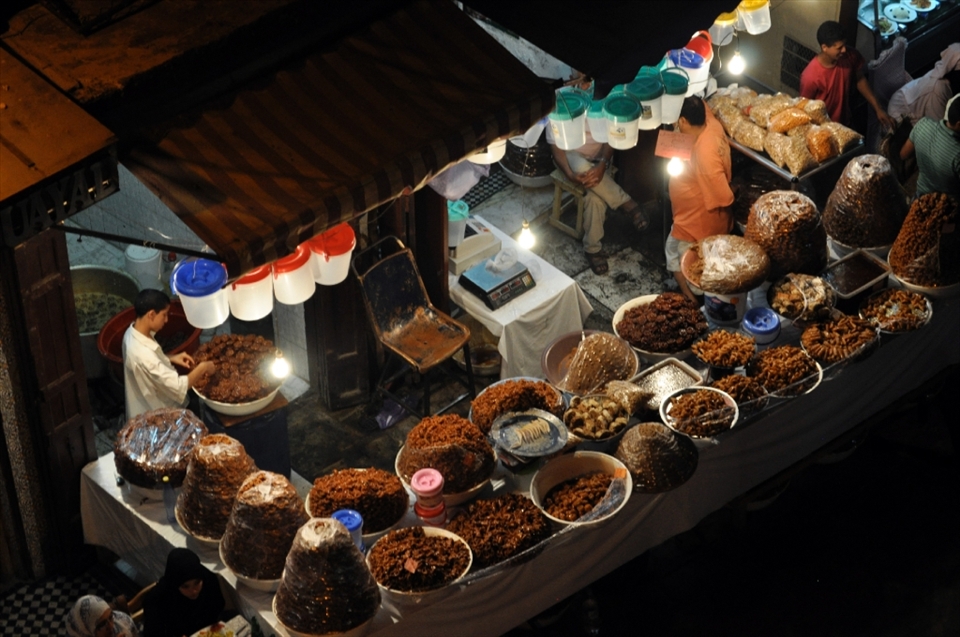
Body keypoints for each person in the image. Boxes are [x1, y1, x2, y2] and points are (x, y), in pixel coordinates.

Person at [547, 76, 645, 275]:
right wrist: (568, 172)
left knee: (594, 198)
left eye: (589, 80)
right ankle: (627, 203)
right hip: (571, 156)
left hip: (598, 160)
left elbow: (611, 137)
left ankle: (592, 249)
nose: (585, 86)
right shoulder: (561, 101)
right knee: (583, 168)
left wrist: (603, 163)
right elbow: (555, 146)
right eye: (581, 80)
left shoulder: (607, 96)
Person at [666, 96, 735, 304]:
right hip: (689, 213)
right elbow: (700, 103)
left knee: (686, 260)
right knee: (672, 250)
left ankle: (693, 298)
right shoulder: (710, 122)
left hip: (697, 221)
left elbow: (724, 197)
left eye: (678, 120)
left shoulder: (705, 155)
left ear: (684, 121)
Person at [122, 289, 214, 420]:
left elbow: (151, 362)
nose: (166, 320)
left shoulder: (131, 332)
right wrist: (203, 367)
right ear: (151, 314)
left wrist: (171, 358)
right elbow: (180, 386)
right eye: (164, 315)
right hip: (159, 416)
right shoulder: (144, 355)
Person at [800, 20, 894, 130]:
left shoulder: (850, 56)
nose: (844, 50)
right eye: (839, 48)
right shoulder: (810, 76)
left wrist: (878, 108)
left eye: (844, 45)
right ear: (824, 47)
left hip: (846, 123)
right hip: (823, 130)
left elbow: (859, 79)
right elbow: (804, 109)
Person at [142, 548, 226, 637]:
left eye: (197, 583)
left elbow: (218, 607)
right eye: (185, 586)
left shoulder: (208, 579)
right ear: (175, 584)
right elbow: (152, 633)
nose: (194, 591)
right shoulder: (156, 600)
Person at [900, 93, 960, 202]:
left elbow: (903, 154)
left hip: (920, 198)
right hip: (946, 206)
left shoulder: (923, 124)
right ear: (959, 124)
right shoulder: (957, 155)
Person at [888, 43, 960, 126]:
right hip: (900, 112)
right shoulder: (938, 90)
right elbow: (936, 127)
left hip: (907, 97)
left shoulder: (942, 71)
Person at [65, 595, 139, 637]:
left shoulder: (123, 621)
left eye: (110, 617)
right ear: (87, 628)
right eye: (102, 624)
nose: (111, 626)